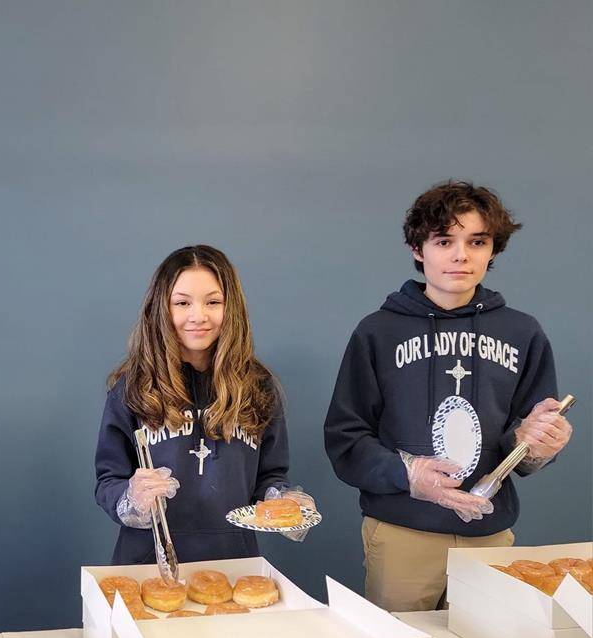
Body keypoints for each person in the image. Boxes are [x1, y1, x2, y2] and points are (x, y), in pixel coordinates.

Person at [324, 181, 572, 611]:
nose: (461, 255)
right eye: (444, 241)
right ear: (418, 249)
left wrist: (541, 445)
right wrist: (408, 474)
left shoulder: (522, 332)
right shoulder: (378, 331)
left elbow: (526, 444)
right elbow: (346, 438)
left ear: (492, 250)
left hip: (489, 535)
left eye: (477, 241)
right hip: (404, 533)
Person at [94, 244, 316, 565]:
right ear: (162, 309)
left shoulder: (258, 387)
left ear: (232, 308)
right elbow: (108, 480)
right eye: (182, 303)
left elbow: (270, 475)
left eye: (213, 302)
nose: (198, 316)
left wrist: (281, 500)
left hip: (235, 564)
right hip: (148, 566)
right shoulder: (132, 388)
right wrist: (131, 499)